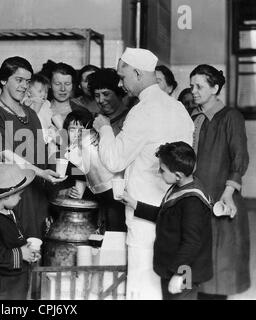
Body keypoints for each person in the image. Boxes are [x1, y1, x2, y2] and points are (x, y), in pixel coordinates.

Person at [93, 47, 194, 299]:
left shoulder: (141, 111)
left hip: (143, 213)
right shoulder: (179, 108)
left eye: (122, 76)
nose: (120, 83)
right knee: (167, 282)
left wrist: (105, 128)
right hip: (172, 208)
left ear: (137, 73)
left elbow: (114, 160)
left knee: (143, 282)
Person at [0, 56, 65, 239]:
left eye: (27, 81)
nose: (24, 86)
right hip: (14, 197)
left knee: (41, 249)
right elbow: (5, 154)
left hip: (39, 196)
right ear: (3, 80)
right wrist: (40, 173)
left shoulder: (31, 114)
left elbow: (43, 152)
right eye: (18, 80)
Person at [120, 142, 213, 300]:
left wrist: (179, 273)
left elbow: (192, 243)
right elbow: (166, 217)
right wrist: (135, 204)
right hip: (174, 268)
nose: (158, 172)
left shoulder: (192, 202)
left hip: (185, 272)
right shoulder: (181, 186)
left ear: (178, 174)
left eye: (162, 170)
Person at [190, 64, 250, 300]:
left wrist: (228, 193)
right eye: (192, 85)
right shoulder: (196, 119)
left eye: (200, 86)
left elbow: (240, 156)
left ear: (215, 88)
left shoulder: (230, 116)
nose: (194, 91)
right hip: (198, 197)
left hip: (221, 197)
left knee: (220, 266)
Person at [0, 163, 41, 300]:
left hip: (13, 285)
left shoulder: (9, 211)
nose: (21, 198)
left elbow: (14, 241)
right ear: (6, 196)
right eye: (18, 195)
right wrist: (21, 253)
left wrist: (29, 252)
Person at [63, 109, 126, 232]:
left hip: (115, 192)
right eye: (72, 129)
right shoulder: (70, 153)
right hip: (96, 199)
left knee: (114, 230)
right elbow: (80, 179)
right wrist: (73, 192)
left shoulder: (94, 143)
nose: (77, 134)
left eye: (82, 130)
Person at [49, 62, 92, 129]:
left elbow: (85, 139)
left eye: (67, 84)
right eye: (57, 84)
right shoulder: (40, 110)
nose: (63, 89)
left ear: (73, 85)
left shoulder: (83, 112)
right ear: (50, 84)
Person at [88, 68, 129, 135]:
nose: (101, 100)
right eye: (97, 95)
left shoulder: (129, 119)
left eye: (106, 94)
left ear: (119, 93)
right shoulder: (94, 120)